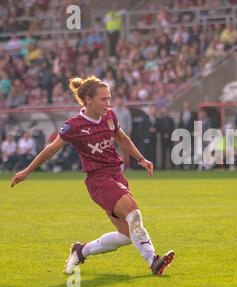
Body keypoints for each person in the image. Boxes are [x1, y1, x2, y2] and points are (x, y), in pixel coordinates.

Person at [11, 76, 174, 276]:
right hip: (98, 179)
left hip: (116, 175)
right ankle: (153, 261)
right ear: (88, 100)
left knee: (126, 234)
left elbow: (121, 137)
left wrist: (141, 159)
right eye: (104, 99)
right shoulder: (74, 125)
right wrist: (27, 171)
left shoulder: (110, 116)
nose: (108, 104)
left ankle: (81, 251)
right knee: (134, 213)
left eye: (109, 99)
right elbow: (51, 149)